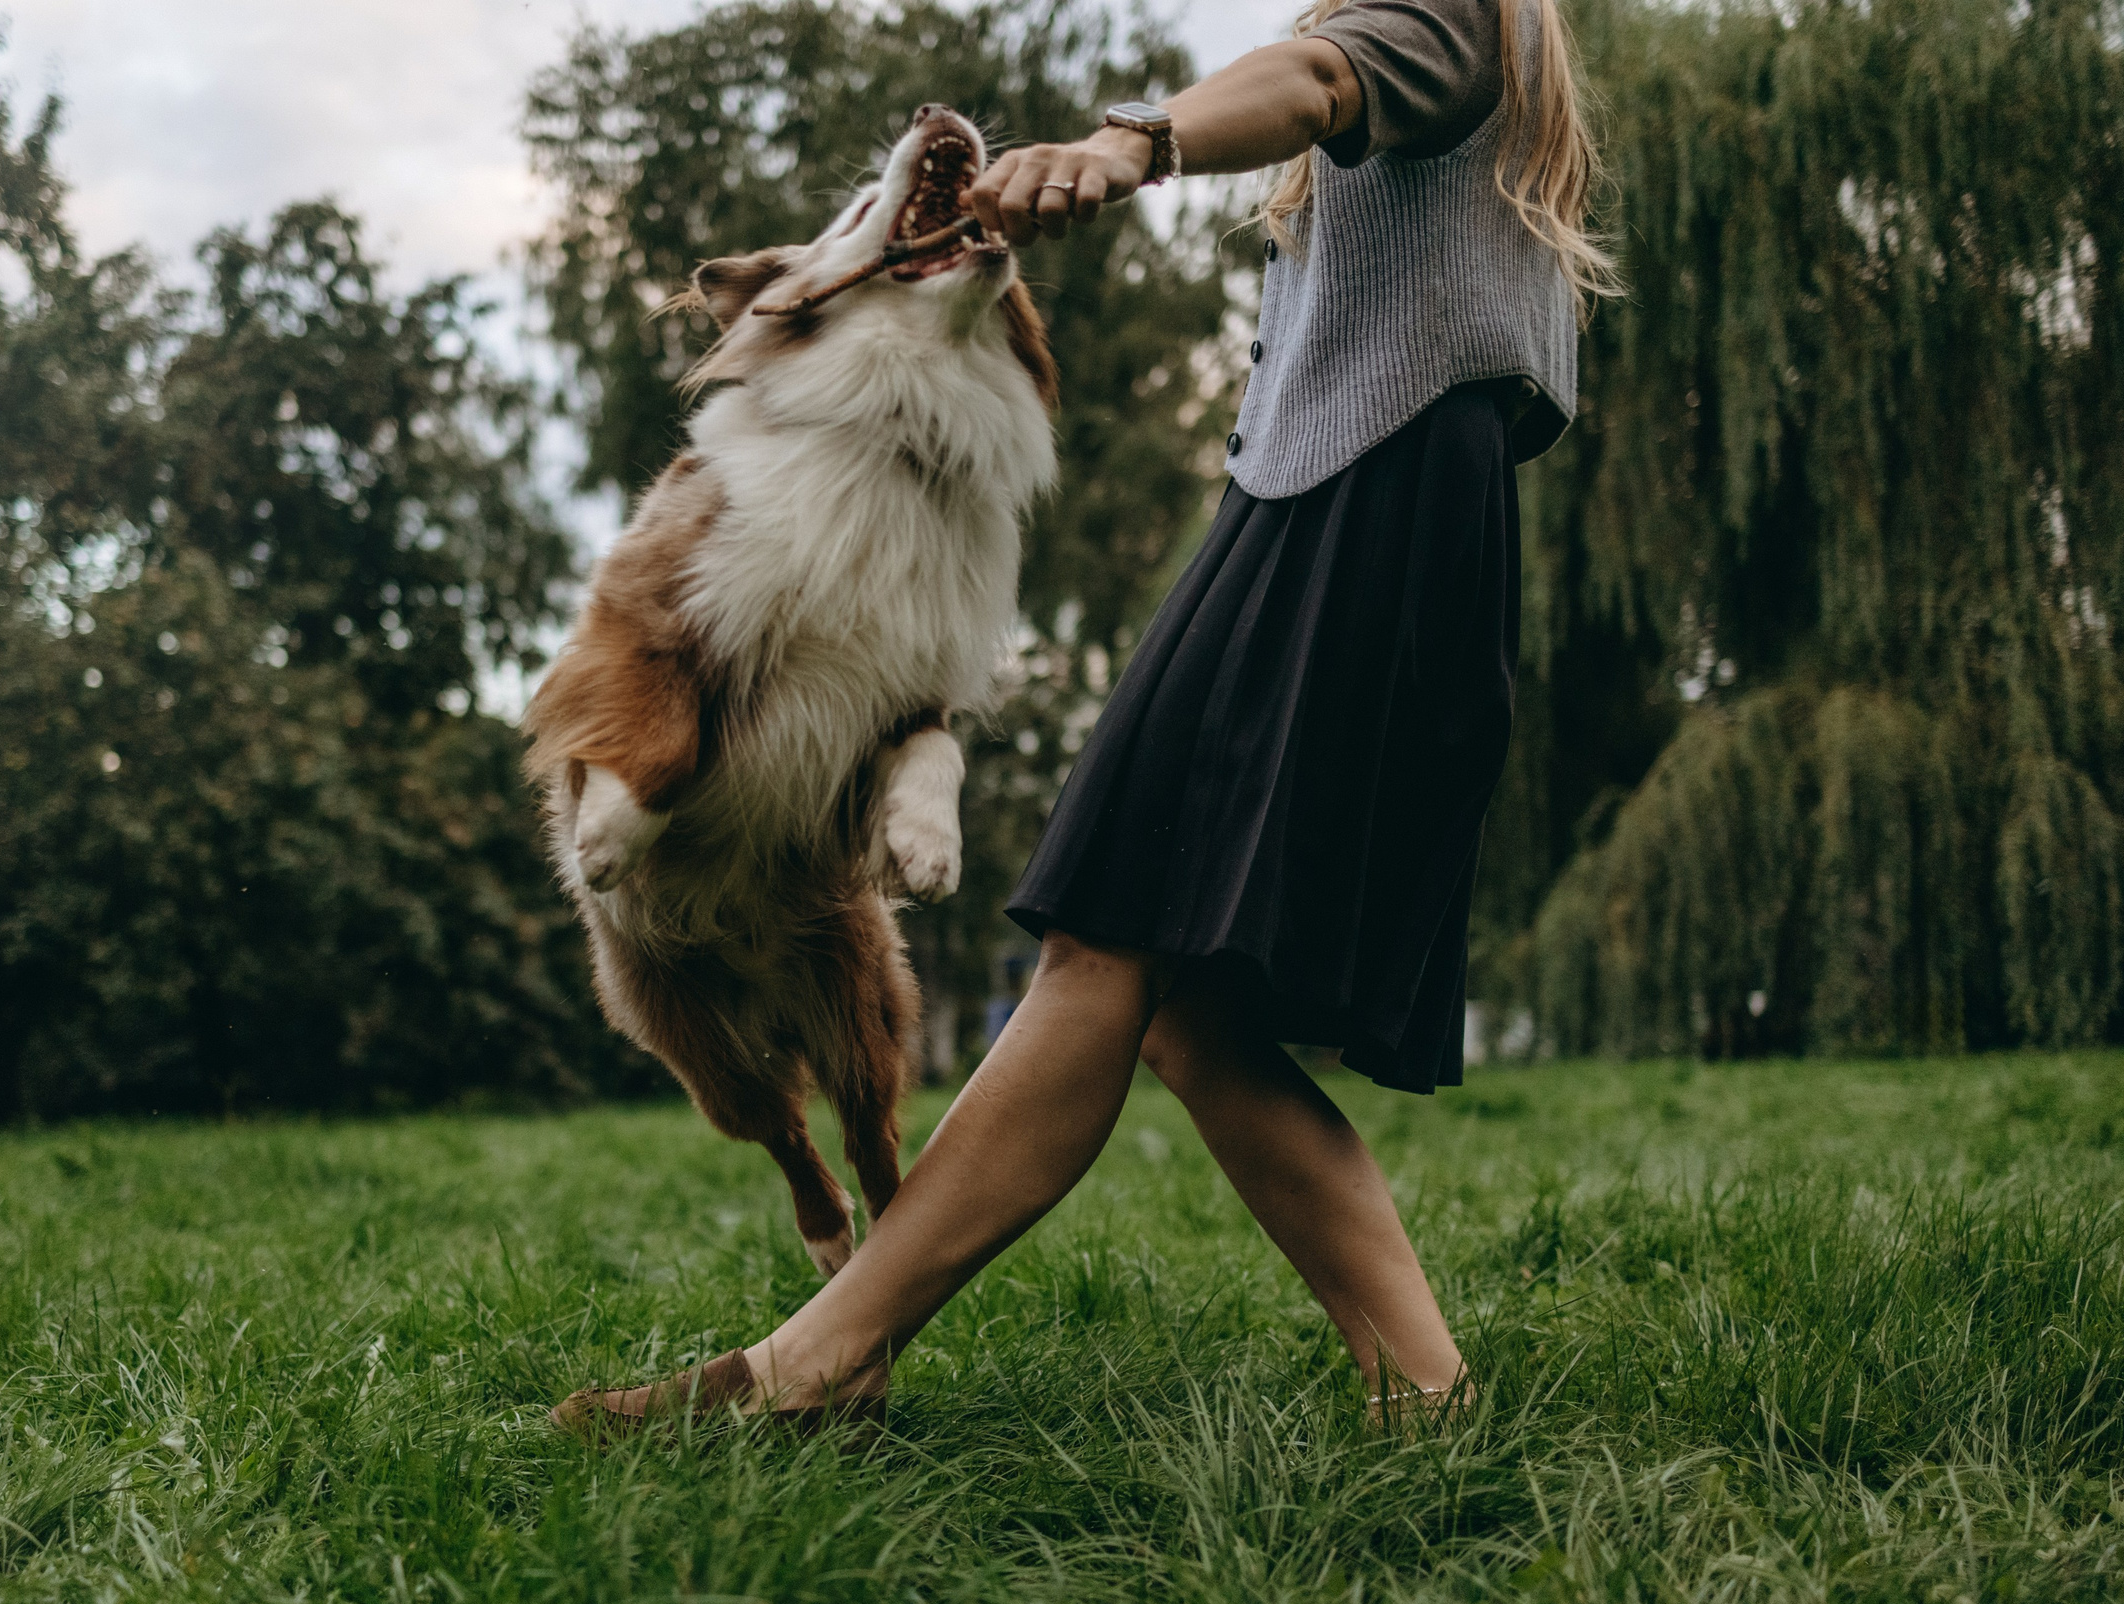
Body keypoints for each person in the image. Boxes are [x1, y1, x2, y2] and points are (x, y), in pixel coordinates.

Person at [552, 0, 1615, 1437]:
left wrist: (1139, 138)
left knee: (1107, 938)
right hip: (1381, 513)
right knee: (1189, 1015)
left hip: (1351, 515)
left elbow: (1313, 78)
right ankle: (1426, 1398)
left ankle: (815, 1364)